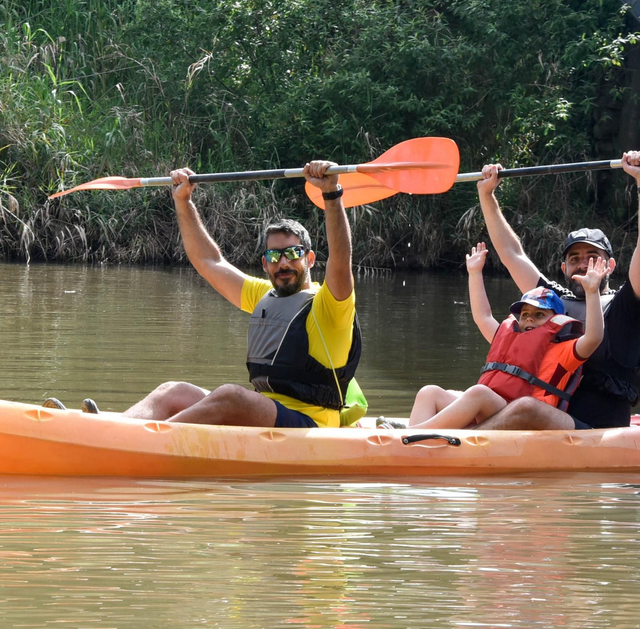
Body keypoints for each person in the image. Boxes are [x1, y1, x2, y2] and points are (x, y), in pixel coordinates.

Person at [122, 160, 361, 428]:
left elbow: (341, 262)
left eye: (293, 253)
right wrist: (183, 201)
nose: (283, 263)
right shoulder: (263, 295)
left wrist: (331, 194)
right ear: (265, 264)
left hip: (311, 425)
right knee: (173, 391)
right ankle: (114, 430)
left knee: (232, 396)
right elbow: (209, 261)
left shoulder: (330, 305)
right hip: (266, 414)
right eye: (274, 256)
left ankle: (147, 438)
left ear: (311, 259)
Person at [471, 151, 640, 430]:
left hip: (596, 429)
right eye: (574, 259)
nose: (582, 264)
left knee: (525, 408)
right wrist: (487, 195)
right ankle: (426, 434)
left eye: (592, 257)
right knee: (451, 395)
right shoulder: (553, 303)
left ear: (609, 265)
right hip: (545, 417)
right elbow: (512, 254)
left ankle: (453, 442)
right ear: (564, 268)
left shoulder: (627, 306)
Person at [409, 243, 604, 430]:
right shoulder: (508, 337)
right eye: (525, 315)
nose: (529, 319)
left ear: (556, 320)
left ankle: (411, 436)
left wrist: (592, 291)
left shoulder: (565, 351)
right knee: (429, 393)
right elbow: (483, 317)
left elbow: (594, 337)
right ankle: (412, 441)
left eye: (539, 315)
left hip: (521, 415)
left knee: (479, 393)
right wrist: (475, 273)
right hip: (490, 406)